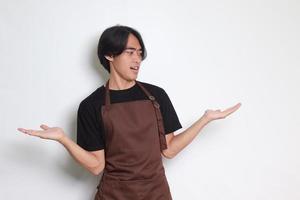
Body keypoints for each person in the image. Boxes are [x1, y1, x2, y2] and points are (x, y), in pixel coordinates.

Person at [17, 25, 241, 200]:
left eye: (140, 53)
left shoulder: (156, 96)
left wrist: (205, 120)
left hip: (157, 194)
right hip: (114, 195)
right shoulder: (91, 105)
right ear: (109, 55)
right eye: (130, 52)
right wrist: (63, 139)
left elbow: (169, 150)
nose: (137, 59)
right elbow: (96, 166)